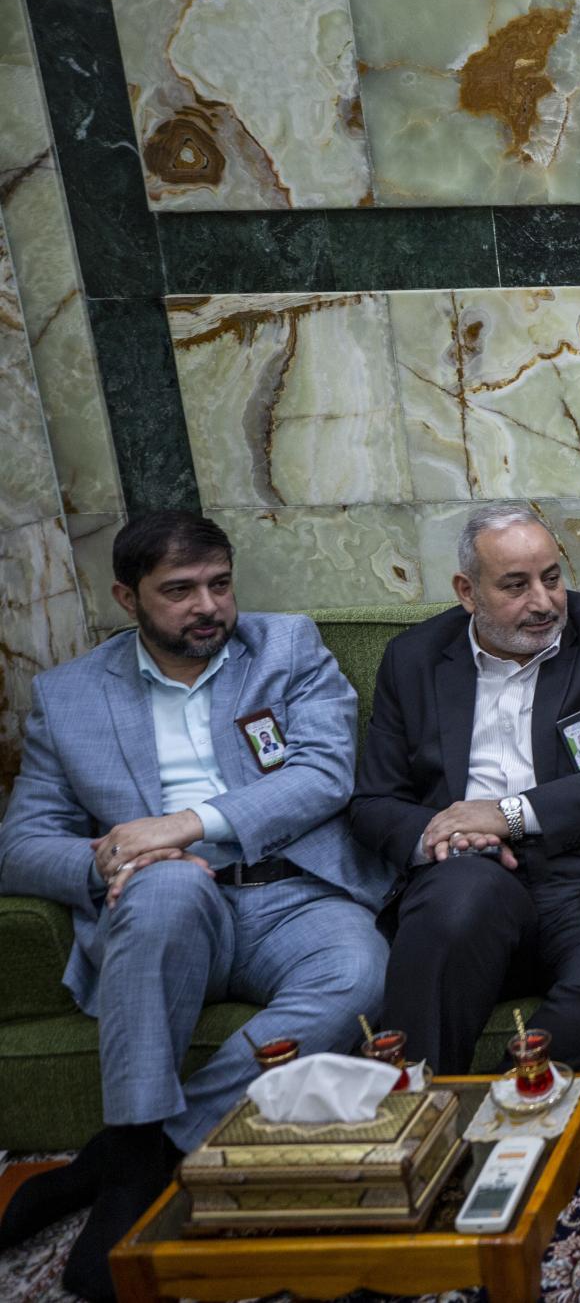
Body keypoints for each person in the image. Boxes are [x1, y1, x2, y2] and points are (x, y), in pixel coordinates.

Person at [0, 512, 392, 1300]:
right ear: (127, 597)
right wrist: (111, 855)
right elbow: (19, 843)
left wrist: (182, 824)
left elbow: (323, 774)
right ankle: (131, 1178)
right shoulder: (69, 695)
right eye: (179, 591)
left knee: (359, 973)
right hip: (162, 904)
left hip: (292, 891)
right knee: (169, 884)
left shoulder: (286, 648)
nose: (207, 605)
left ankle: (134, 1154)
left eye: (219, 584)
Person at [349, 504, 580, 1078]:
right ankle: (421, 1116)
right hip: (469, 871)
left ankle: (502, 1097)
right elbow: (373, 803)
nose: (544, 602)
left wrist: (507, 814)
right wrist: (442, 835)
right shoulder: (414, 659)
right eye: (516, 585)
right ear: (467, 591)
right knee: (448, 918)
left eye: (552, 578)